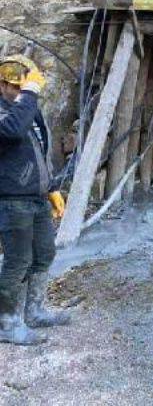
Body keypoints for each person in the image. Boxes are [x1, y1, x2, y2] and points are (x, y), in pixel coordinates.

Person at [0, 54, 70, 345]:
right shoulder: (9, 112)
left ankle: (34, 311)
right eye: (13, 84)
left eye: (22, 84)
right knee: (17, 261)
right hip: (11, 198)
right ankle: (7, 323)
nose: (17, 90)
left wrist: (50, 186)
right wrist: (28, 94)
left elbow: (39, 150)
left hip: (36, 196)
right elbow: (12, 132)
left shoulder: (27, 110)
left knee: (44, 254)